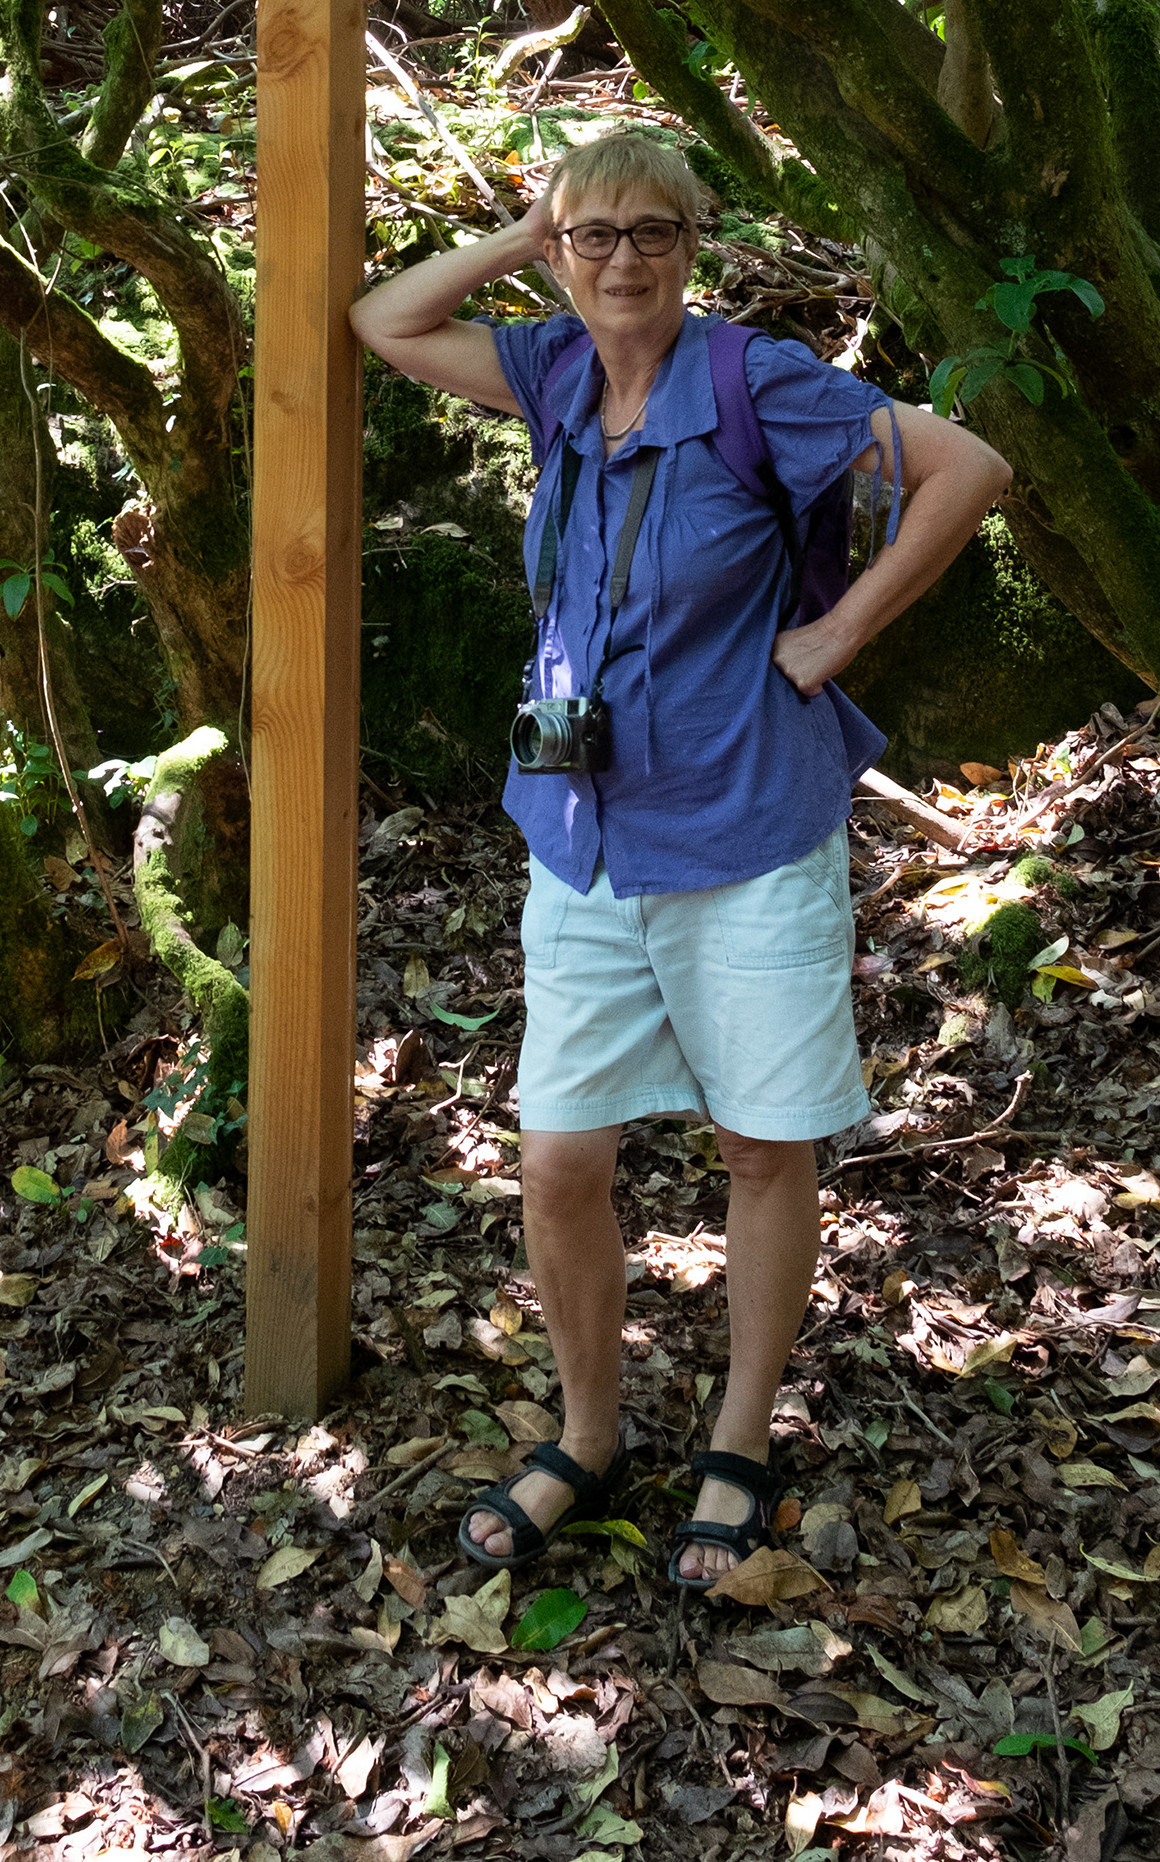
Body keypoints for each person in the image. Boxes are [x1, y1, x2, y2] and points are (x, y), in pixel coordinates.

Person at [349, 129, 1012, 1586]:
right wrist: (532, 236)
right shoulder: (550, 371)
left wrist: (839, 636)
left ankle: (739, 1431)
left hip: (747, 834)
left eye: (652, 232)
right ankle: (591, 1430)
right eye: (596, 237)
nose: (623, 260)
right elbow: (383, 321)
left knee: (763, 1146)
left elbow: (968, 463)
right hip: (583, 841)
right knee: (560, 1156)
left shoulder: (754, 382)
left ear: (694, 242)